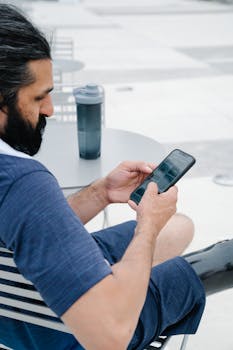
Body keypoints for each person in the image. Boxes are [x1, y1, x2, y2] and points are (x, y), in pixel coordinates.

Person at [0, 4, 232, 350]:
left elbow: (24, 224)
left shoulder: (18, 189)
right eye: (39, 97)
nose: (48, 109)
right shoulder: (22, 181)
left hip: (15, 302)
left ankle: (120, 279)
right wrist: (147, 226)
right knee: (224, 256)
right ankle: (129, 287)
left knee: (179, 225)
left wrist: (101, 193)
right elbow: (109, 335)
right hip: (67, 333)